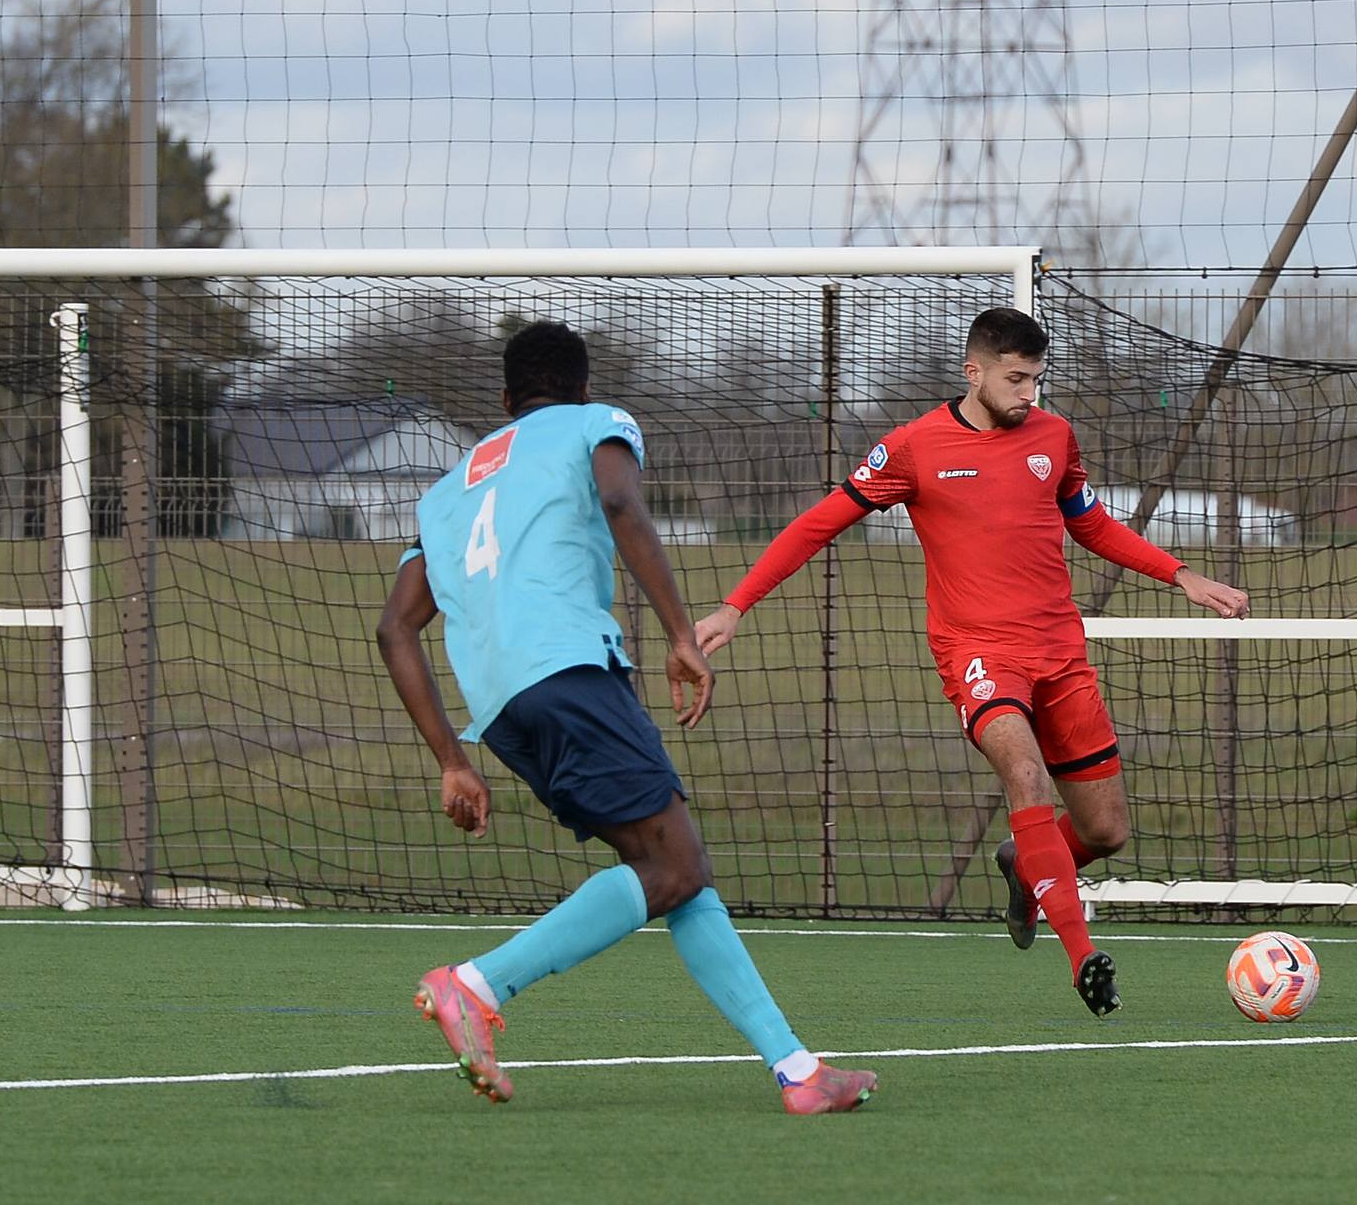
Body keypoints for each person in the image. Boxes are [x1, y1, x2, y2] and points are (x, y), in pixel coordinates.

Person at [376, 319, 876, 1113]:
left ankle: (796, 1070)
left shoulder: (445, 492)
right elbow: (618, 498)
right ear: (583, 388)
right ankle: (475, 985)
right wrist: (681, 634)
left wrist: (451, 760)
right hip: (570, 673)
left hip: (502, 711)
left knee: (673, 868)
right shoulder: (596, 423)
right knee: (675, 867)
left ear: (505, 401)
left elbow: (394, 629)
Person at [696, 307, 1250, 1018]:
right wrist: (734, 606)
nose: (1029, 393)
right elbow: (816, 525)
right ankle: (1082, 957)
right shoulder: (913, 447)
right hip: (979, 654)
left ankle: (1025, 863)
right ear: (974, 371)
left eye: (1036, 379)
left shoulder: (1054, 437)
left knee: (1106, 832)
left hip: (1061, 655)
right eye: (1016, 379)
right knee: (1025, 775)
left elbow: (1092, 524)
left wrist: (1181, 575)